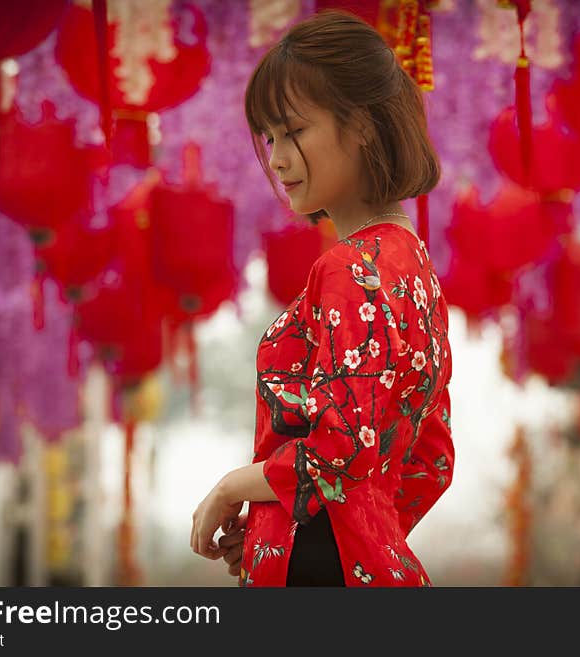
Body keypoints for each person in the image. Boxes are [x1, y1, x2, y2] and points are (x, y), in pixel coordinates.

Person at [190, 9, 454, 587]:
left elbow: (340, 449)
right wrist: (279, 529)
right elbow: (431, 462)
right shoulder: (417, 269)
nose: (278, 158)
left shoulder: (348, 268)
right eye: (270, 137)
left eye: (295, 131)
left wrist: (237, 487)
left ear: (361, 124)